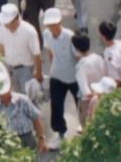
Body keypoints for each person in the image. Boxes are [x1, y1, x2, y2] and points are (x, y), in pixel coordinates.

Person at [42, 8, 78, 150]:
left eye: (53, 24)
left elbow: (77, 56)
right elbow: (50, 52)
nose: (51, 27)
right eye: (48, 25)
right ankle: (60, 134)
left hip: (73, 77)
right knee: (56, 106)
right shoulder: (46, 34)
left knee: (80, 104)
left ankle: (85, 128)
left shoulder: (70, 36)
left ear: (60, 22)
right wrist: (52, 70)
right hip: (56, 75)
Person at [0, 2, 43, 94]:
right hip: (10, 68)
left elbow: (36, 55)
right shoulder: (3, 26)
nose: (4, 25)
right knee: (16, 98)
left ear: (15, 20)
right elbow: (0, 45)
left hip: (26, 70)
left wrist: (38, 73)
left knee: (29, 99)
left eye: (7, 23)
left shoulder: (29, 31)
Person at [0, 77, 48, 152]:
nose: (2, 95)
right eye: (0, 93)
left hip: (27, 138)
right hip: (7, 140)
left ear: (10, 88)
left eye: (4, 92)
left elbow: (36, 119)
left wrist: (41, 139)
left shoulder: (23, 100)